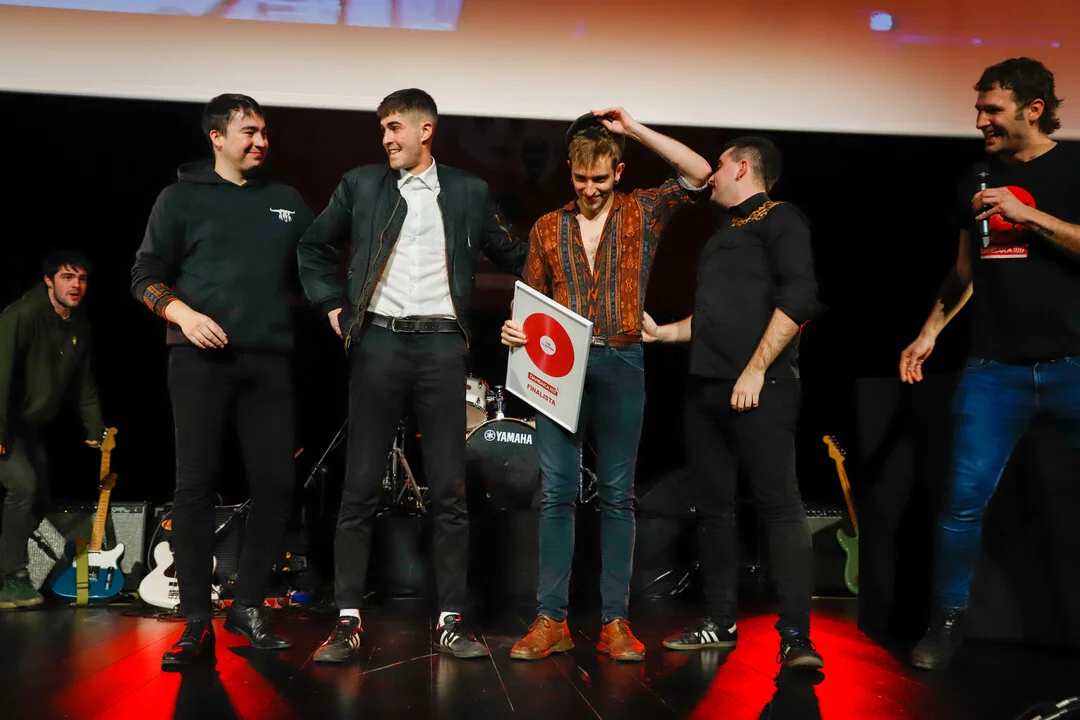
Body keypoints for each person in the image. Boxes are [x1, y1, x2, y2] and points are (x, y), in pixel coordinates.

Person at [297, 88, 527, 663]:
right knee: (359, 486)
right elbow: (314, 246)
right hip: (379, 341)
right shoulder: (361, 185)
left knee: (449, 489)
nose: (386, 139)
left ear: (426, 131)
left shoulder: (469, 191)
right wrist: (331, 305)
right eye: (383, 129)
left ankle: (452, 619)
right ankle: (347, 620)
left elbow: (521, 258)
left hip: (443, 346)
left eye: (395, 127)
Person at [501, 108, 711, 662]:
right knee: (557, 493)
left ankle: (616, 622)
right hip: (560, 368)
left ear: (618, 171)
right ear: (569, 173)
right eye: (580, 179)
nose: (590, 189)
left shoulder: (643, 210)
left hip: (622, 359)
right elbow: (531, 304)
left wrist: (634, 129)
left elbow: (700, 172)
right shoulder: (548, 227)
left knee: (618, 495)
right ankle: (552, 620)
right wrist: (514, 330)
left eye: (600, 178)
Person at [900, 57, 1080, 670]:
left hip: (1073, 365)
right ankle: (946, 622)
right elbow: (965, 271)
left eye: (992, 110)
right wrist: (929, 333)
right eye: (978, 109)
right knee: (962, 502)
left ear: (1034, 109)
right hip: (993, 371)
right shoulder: (974, 176)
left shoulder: (1073, 168)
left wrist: (1028, 215)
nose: (980, 121)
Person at [131, 93, 313, 669]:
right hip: (199, 360)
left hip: (268, 362)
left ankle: (248, 605)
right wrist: (183, 315)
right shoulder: (179, 197)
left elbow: (317, 267)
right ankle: (194, 621)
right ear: (216, 136)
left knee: (276, 485)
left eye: (265, 132)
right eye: (249, 132)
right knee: (195, 487)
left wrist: (338, 306)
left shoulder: (286, 201)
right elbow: (144, 275)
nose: (261, 141)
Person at [646, 137, 824, 669]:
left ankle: (796, 637)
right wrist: (665, 333)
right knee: (713, 510)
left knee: (779, 506)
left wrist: (755, 369)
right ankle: (719, 622)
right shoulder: (724, 232)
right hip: (706, 388)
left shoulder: (782, 218)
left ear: (743, 167)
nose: (712, 175)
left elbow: (799, 299)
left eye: (720, 166)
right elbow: (716, 319)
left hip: (762, 388)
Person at [0, 251, 106, 610]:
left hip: (27, 426)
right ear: (48, 280)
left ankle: (12, 572)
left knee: (39, 500)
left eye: (82, 279)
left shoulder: (77, 323)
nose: (76, 285)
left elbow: (83, 382)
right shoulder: (23, 314)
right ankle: (12, 577)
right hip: (5, 421)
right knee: (22, 487)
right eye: (66, 277)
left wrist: (94, 425)